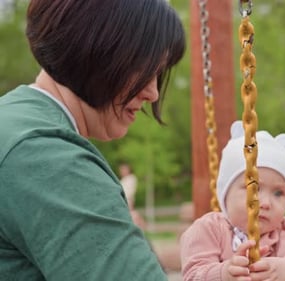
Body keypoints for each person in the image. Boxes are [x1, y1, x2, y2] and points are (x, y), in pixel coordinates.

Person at [0, 0, 185, 280]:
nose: (153, 93)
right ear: (97, 52)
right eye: (145, 70)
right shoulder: (44, 154)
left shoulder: (18, 124)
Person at [180, 121, 285, 281]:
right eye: (254, 188)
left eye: (278, 193)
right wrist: (224, 274)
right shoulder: (209, 229)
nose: (266, 202)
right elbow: (193, 275)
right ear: (226, 192)